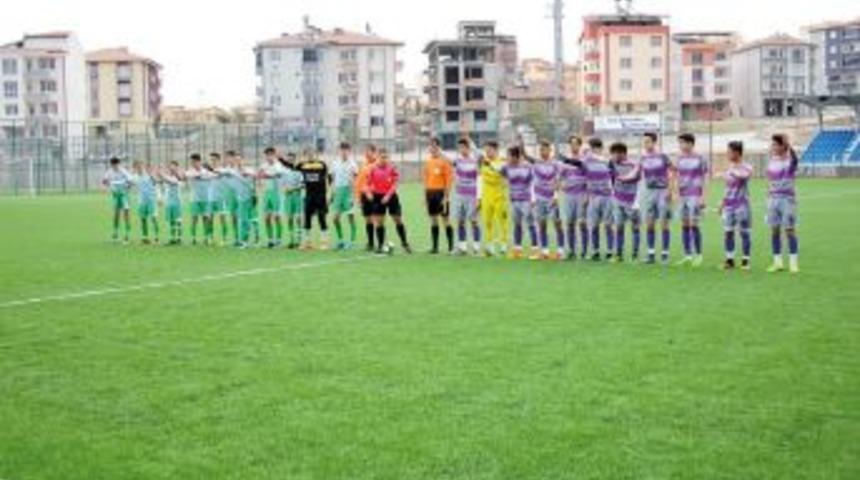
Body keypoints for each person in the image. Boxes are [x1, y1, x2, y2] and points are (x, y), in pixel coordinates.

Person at [364, 148, 411, 254]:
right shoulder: (372, 169)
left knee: (397, 219)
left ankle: (405, 243)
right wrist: (368, 193)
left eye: (386, 157)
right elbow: (366, 183)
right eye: (382, 157)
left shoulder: (392, 168)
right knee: (379, 222)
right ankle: (380, 245)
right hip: (377, 197)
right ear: (378, 157)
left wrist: (388, 196)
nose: (384, 159)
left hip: (391, 197)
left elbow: (395, 183)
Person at [638, 132, 675, 264]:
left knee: (664, 224)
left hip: (662, 191)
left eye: (648, 141)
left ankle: (665, 255)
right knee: (649, 224)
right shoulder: (643, 158)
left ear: (654, 142)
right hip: (649, 193)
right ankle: (651, 254)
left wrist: (670, 190)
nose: (645, 144)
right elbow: (637, 173)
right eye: (644, 141)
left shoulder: (662, 156)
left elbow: (673, 171)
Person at [766, 134, 800, 274]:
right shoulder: (771, 160)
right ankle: (777, 262)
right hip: (773, 199)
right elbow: (769, 178)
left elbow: (796, 161)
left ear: (782, 146)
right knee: (774, 230)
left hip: (787, 199)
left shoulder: (789, 161)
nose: (773, 147)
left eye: (775, 144)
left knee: (789, 230)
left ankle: (793, 263)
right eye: (772, 144)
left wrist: (789, 145)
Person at [496, 145, 536, 260]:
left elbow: (533, 183)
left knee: (530, 224)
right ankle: (517, 250)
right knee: (517, 224)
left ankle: (535, 249)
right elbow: (497, 171)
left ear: (515, 157)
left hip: (526, 200)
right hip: (513, 200)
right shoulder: (506, 167)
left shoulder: (528, 167)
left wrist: (533, 198)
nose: (507, 158)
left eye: (508, 156)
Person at [720, 141, 754, 271]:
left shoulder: (747, 166)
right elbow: (727, 188)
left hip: (742, 204)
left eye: (729, 151)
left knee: (744, 233)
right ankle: (730, 260)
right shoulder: (730, 167)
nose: (727, 154)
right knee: (728, 232)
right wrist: (722, 203)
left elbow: (744, 176)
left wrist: (732, 172)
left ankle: (746, 260)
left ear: (737, 152)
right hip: (729, 205)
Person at [676, 133, 709, 267]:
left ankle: (699, 255)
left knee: (694, 224)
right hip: (683, 195)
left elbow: (706, 177)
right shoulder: (680, 158)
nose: (680, 146)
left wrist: (703, 197)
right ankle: (687, 255)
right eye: (679, 143)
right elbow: (679, 176)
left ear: (690, 143)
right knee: (684, 225)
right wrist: (677, 192)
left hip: (695, 194)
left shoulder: (700, 158)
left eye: (682, 143)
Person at [532, 140, 565, 260]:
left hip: (551, 197)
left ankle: (560, 251)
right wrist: (533, 197)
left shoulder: (556, 164)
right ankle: (545, 251)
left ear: (550, 150)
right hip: (539, 197)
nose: (542, 152)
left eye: (544, 149)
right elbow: (533, 181)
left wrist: (556, 196)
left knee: (557, 224)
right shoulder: (536, 164)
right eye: (540, 149)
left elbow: (558, 181)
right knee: (542, 224)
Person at [423, 137, 454, 254]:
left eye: (435, 146)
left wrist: (446, 196)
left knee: (445, 219)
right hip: (430, 193)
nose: (433, 148)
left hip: (441, 193)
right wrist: (425, 197)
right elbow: (425, 180)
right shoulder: (428, 162)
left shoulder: (444, 162)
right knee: (433, 220)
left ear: (439, 147)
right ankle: (435, 247)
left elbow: (449, 180)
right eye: (431, 146)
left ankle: (451, 247)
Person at [610, 142, 641, 262]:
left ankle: (635, 255)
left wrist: (621, 178)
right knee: (619, 227)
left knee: (635, 228)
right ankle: (618, 254)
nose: (614, 156)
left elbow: (635, 178)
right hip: (618, 201)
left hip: (632, 201)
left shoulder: (633, 165)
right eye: (613, 153)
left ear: (623, 153)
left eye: (616, 153)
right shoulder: (612, 164)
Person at [559, 136, 589, 260]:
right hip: (568, 195)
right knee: (569, 223)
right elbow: (560, 177)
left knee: (582, 223)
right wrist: (561, 185)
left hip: (581, 194)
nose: (573, 146)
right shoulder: (565, 162)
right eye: (571, 144)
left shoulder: (584, 161)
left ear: (580, 146)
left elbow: (589, 178)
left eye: (576, 144)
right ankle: (571, 250)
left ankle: (584, 250)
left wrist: (587, 195)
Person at [452, 138, 482, 256]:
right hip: (460, 194)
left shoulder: (475, 160)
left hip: (472, 195)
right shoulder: (457, 160)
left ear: (468, 148)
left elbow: (479, 154)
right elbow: (448, 160)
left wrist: (469, 139)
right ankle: (462, 247)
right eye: (459, 148)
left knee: (473, 221)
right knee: (460, 221)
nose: (461, 150)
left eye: (463, 147)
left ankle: (476, 246)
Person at [479, 140, 509, 257]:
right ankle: (489, 245)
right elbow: (483, 177)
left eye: (490, 150)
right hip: (487, 195)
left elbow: (503, 176)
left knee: (502, 220)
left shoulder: (502, 162)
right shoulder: (484, 162)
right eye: (486, 150)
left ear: (496, 150)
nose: (487, 153)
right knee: (487, 221)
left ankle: (504, 243)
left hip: (499, 195)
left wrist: (496, 173)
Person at [297, 150, 331, 250]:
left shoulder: (321, 165)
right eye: (308, 154)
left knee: (321, 217)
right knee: (307, 218)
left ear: (316, 155)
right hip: (309, 196)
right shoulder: (303, 165)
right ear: (305, 156)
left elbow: (329, 178)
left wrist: (329, 192)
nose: (310, 156)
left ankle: (324, 242)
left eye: (312, 154)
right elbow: (291, 166)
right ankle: (307, 243)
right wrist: (280, 159)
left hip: (320, 196)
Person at [330, 142, 359, 250]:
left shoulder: (353, 164)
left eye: (346, 150)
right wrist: (332, 193)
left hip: (348, 192)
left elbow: (355, 180)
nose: (344, 152)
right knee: (335, 218)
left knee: (350, 217)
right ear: (339, 150)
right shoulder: (335, 163)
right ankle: (341, 240)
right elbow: (332, 179)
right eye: (342, 150)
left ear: (349, 151)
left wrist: (353, 195)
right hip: (338, 192)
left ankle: (352, 241)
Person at [258, 147, 286, 248]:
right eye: (267, 155)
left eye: (271, 154)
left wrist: (266, 175)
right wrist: (261, 179)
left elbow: (277, 174)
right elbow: (260, 175)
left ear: (274, 155)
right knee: (267, 218)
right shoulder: (263, 165)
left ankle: (278, 240)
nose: (269, 157)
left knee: (277, 217)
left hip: (276, 193)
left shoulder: (278, 165)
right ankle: (270, 240)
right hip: (266, 193)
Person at [101, 157, 133, 244]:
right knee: (116, 214)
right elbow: (104, 181)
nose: (115, 166)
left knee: (126, 213)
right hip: (115, 196)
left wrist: (126, 188)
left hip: (124, 195)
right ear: (111, 165)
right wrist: (106, 186)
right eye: (113, 165)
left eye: (117, 164)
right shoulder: (109, 172)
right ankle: (115, 232)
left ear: (119, 164)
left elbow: (131, 181)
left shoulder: (123, 171)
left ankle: (127, 234)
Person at [185, 153, 215, 245]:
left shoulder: (206, 171)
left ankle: (206, 238)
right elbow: (187, 175)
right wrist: (199, 175)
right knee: (194, 219)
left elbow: (213, 175)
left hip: (206, 199)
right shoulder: (190, 171)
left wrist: (204, 174)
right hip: (195, 199)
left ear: (199, 161)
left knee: (206, 219)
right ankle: (193, 238)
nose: (193, 164)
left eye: (194, 162)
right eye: (192, 162)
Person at [131, 161, 160, 244]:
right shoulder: (135, 177)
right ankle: (145, 237)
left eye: (140, 166)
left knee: (153, 218)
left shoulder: (148, 175)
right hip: (141, 201)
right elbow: (129, 184)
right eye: (136, 167)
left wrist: (159, 197)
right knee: (143, 219)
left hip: (151, 200)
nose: (139, 168)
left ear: (142, 166)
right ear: (134, 168)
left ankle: (156, 237)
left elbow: (156, 184)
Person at [279, 152, 305, 249]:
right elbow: (282, 184)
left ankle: (299, 240)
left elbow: (302, 185)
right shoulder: (284, 171)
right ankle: (291, 240)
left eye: (292, 159)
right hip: (288, 197)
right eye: (288, 159)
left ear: (294, 160)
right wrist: (284, 189)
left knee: (298, 218)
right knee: (289, 218)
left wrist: (293, 189)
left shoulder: (299, 171)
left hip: (297, 197)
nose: (290, 160)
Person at [356, 144, 378, 251]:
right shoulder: (363, 165)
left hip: (374, 195)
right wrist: (359, 198)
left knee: (376, 219)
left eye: (369, 151)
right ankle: (370, 243)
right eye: (366, 151)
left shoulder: (377, 164)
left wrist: (371, 191)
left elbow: (379, 181)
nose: (366, 153)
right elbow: (359, 183)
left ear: (374, 152)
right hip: (365, 196)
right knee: (367, 220)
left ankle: (380, 242)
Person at [207, 153, 231, 246]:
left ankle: (224, 239)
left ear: (219, 160)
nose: (212, 161)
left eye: (214, 160)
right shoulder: (208, 172)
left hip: (221, 198)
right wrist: (211, 171)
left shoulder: (223, 170)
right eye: (211, 160)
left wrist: (212, 170)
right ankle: (210, 237)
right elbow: (208, 175)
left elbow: (219, 174)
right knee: (210, 218)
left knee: (222, 218)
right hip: (211, 198)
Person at [159, 161, 184, 245]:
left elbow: (173, 182)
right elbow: (164, 188)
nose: (171, 169)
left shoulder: (180, 178)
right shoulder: (167, 177)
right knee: (171, 221)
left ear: (177, 167)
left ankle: (179, 238)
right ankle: (172, 238)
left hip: (177, 201)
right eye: (170, 167)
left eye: (173, 167)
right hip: (169, 202)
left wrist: (162, 174)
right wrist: (161, 199)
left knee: (178, 220)